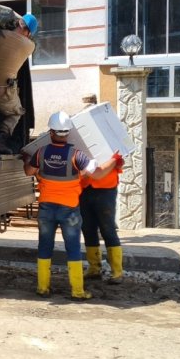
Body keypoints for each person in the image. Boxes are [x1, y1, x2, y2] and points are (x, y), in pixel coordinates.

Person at [21, 111, 123, 300]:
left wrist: (27, 159)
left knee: (44, 247)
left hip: (46, 209)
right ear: (67, 133)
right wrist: (115, 159)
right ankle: (77, 291)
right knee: (73, 248)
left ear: (51, 132)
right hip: (69, 211)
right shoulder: (77, 155)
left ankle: (43, 288)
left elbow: (29, 171)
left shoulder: (40, 153)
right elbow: (98, 173)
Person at [0, 14, 38, 154]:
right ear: (28, 32)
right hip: (5, 90)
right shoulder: (29, 46)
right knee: (16, 112)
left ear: (18, 23)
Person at [80, 149, 125, 284]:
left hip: (106, 189)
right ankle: (94, 268)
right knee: (87, 228)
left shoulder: (110, 144)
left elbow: (119, 163)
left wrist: (116, 160)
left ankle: (117, 272)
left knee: (108, 229)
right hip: (84, 188)